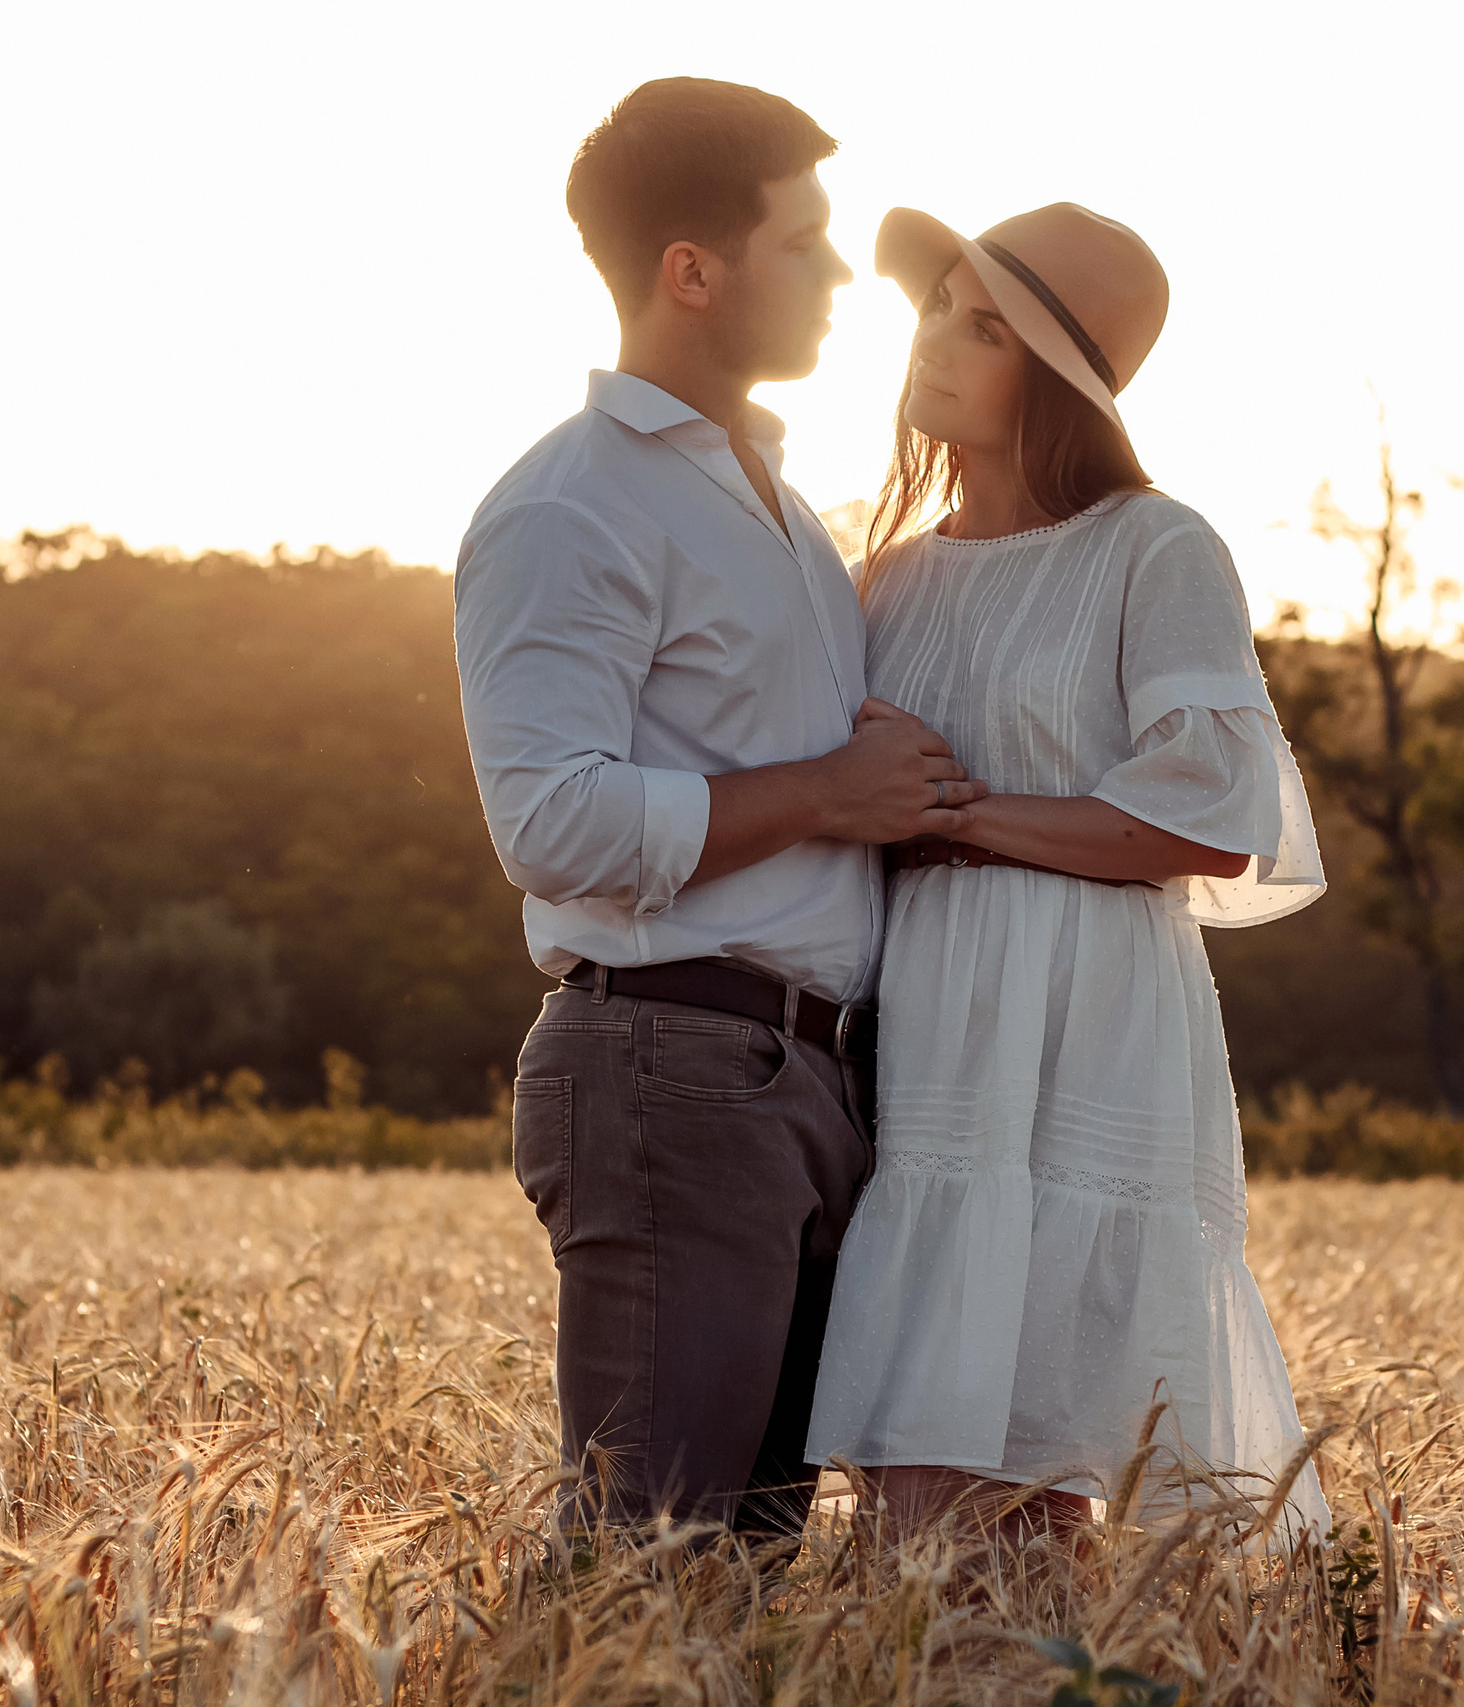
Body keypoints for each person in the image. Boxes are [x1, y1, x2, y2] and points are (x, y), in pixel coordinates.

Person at [452, 79, 989, 1546]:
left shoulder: (781, 509)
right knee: (647, 1574)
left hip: (810, 1082)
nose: (839, 277)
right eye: (802, 244)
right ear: (691, 271)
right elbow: (550, 823)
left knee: (740, 1584)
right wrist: (828, 792)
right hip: (672, 1066)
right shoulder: (572, 507)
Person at [802, 204, 1332, 1543]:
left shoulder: (1154, 546)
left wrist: (961, 814)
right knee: (923, 1451)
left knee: (1049, 1416)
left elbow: (1213, 820)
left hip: (1086, 1009)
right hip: (927, 1012)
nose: (937, 343)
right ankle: (954, 1646)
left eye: (988, 329)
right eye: (940, 307)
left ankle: (1051, 1641)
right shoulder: (882, 577)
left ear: (1058, 383)